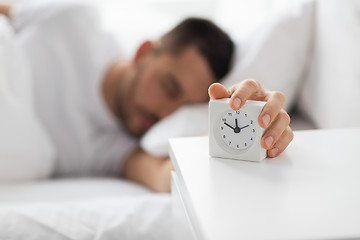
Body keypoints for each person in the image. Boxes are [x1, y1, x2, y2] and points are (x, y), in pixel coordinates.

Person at [0, 1, 293, 192]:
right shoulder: (75, 16)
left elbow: (164, 177)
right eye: (169, 87)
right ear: (143, 53)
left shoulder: (116, 148)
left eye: (183, 107)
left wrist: (247, 127)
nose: (166, 113)